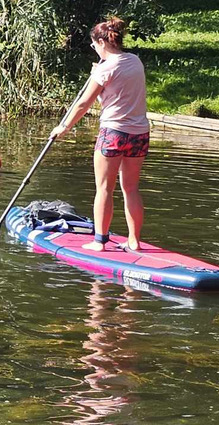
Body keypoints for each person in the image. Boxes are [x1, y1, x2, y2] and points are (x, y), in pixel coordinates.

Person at [50, 17, 149, 252]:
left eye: (94, 45)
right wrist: (100, 71)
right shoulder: (135, 61)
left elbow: (84, 104)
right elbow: (117, 86)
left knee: (104, 188)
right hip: (139, 134)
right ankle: (134, 241)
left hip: (113, 133)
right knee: (131, 188)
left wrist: (63, 127)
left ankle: (99, 242)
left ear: (102, 42)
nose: (94, 49)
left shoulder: (105, 68)